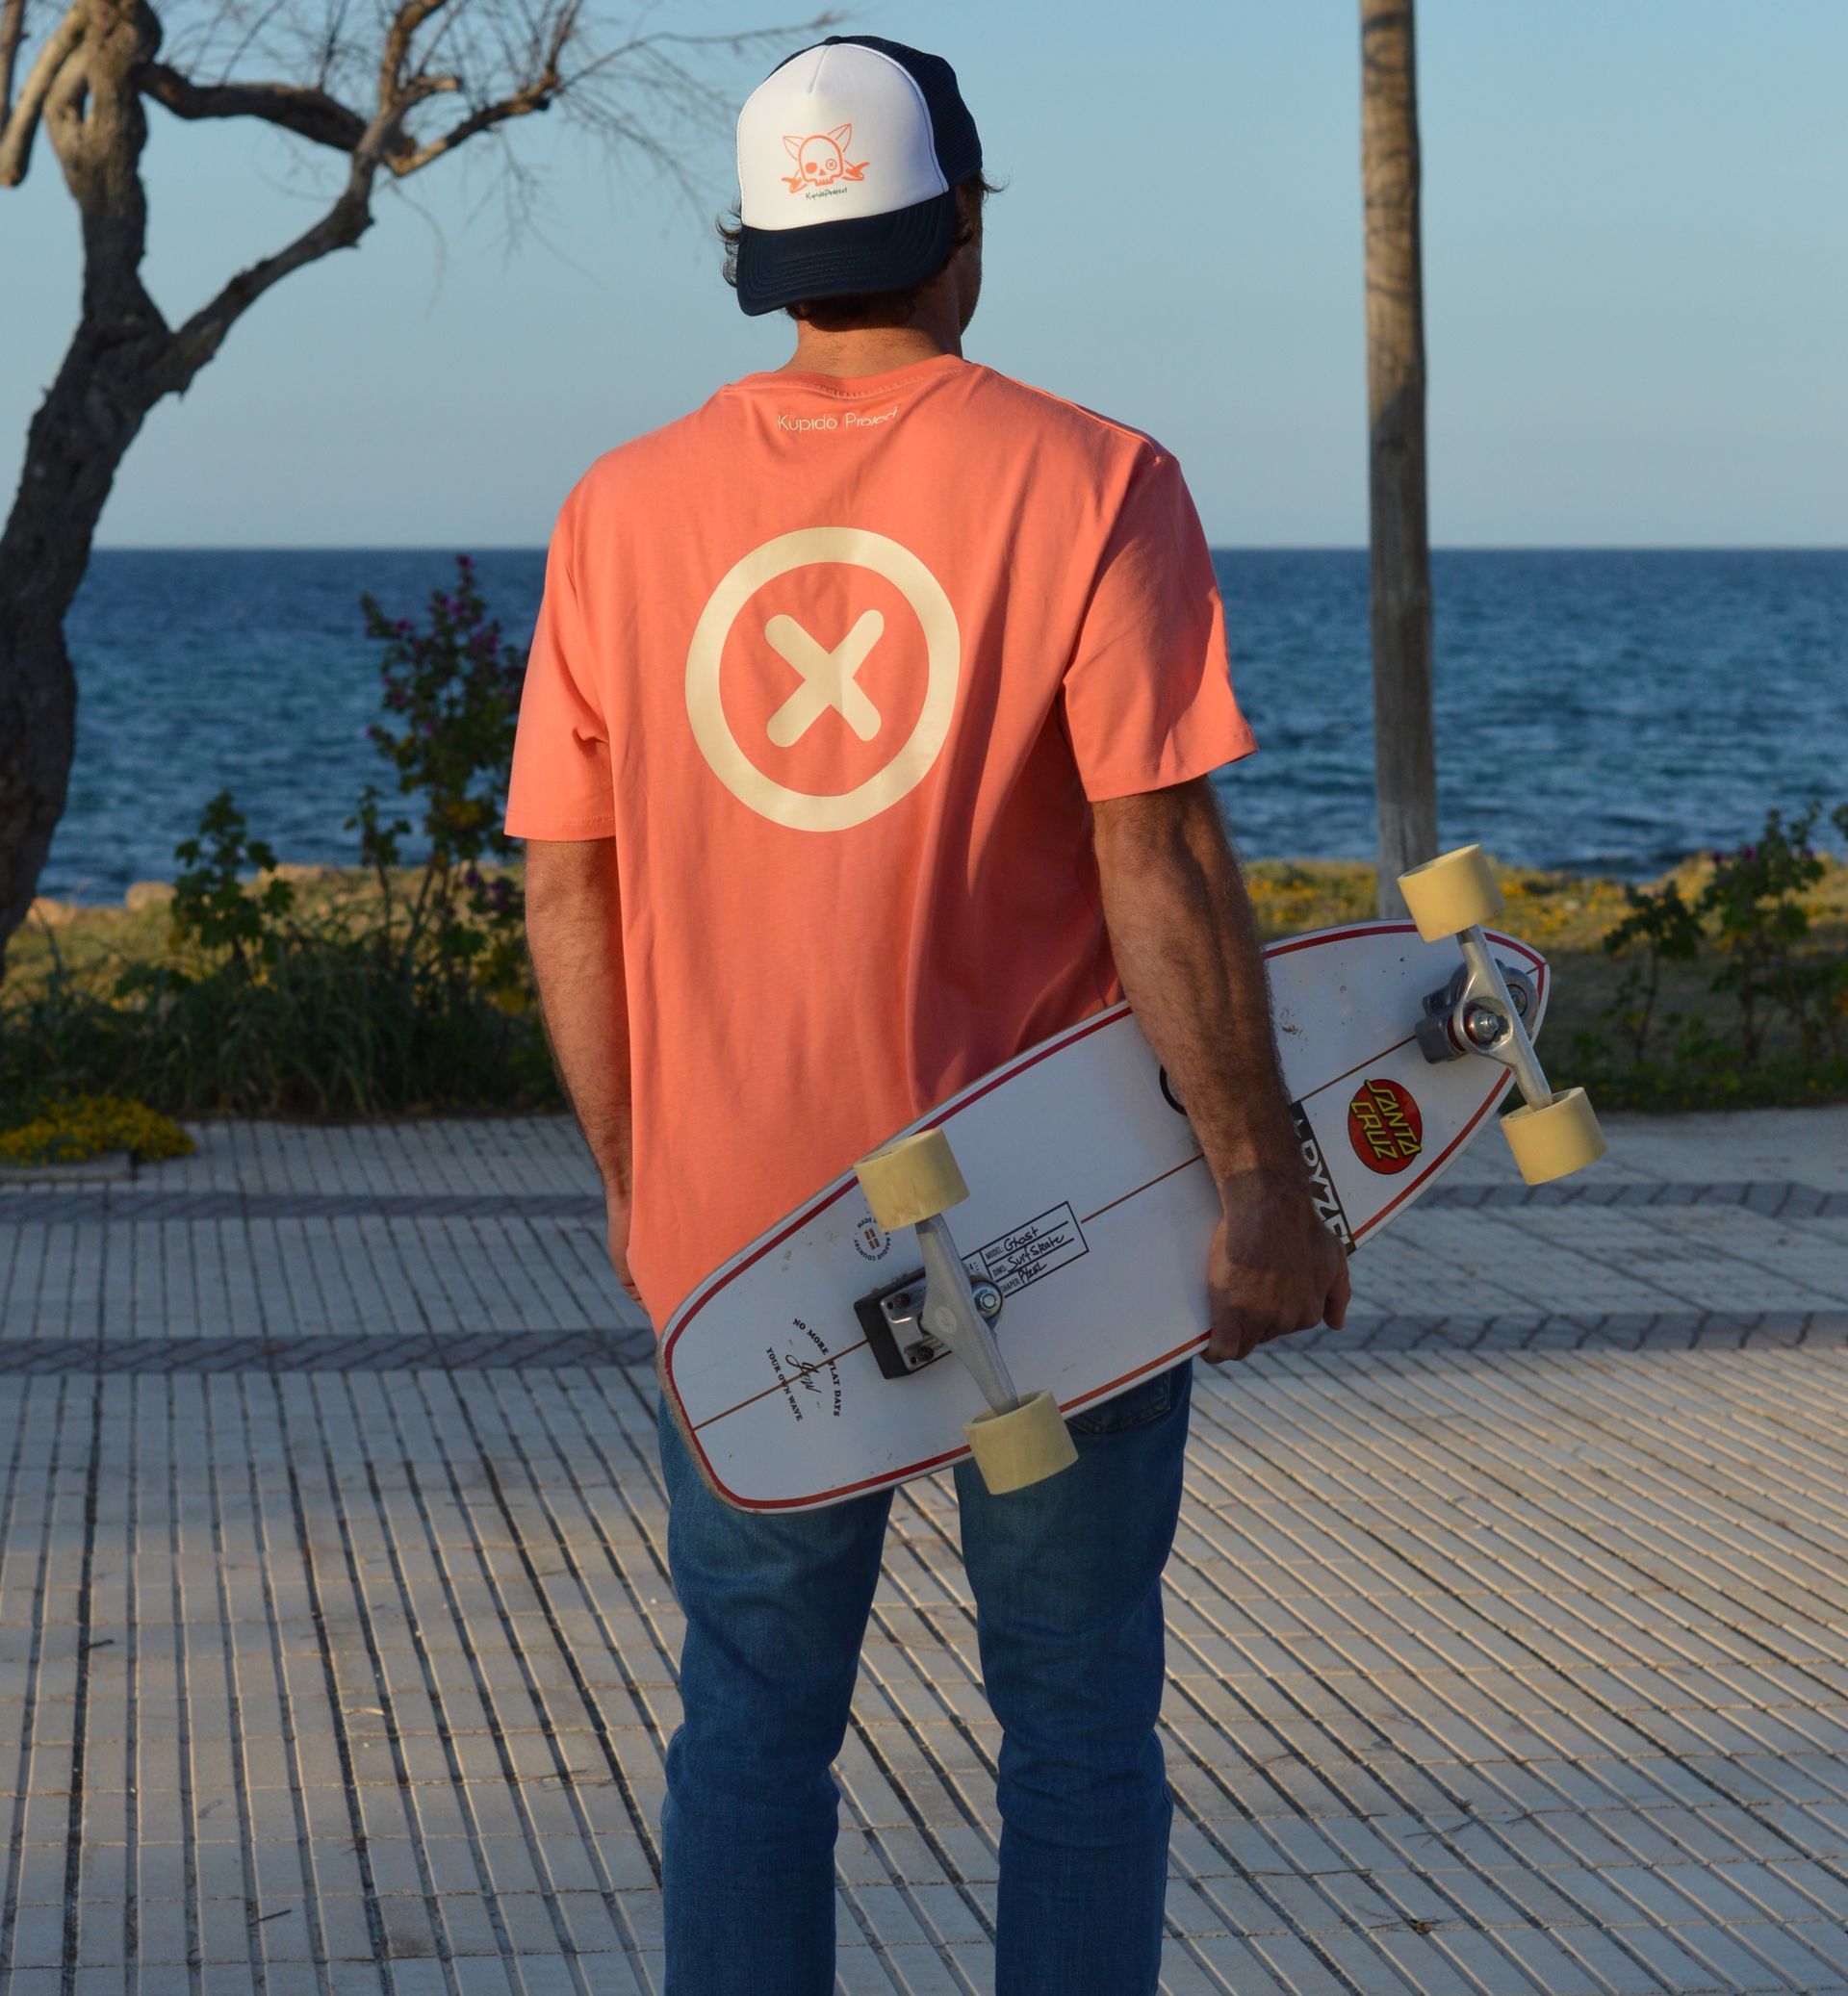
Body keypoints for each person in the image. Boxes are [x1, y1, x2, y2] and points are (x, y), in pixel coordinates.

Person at [503, 33, 1349, 1995]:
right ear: (959, 224)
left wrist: (652, 1194)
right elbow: (1160, 865)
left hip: (749, 1252)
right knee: (1070, 1735)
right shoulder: (1096, 480)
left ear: (766, 253)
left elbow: (570, 886)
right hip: (1058, 1245)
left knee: (750, 1734)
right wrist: (1261, 1180)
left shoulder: (618, 512)